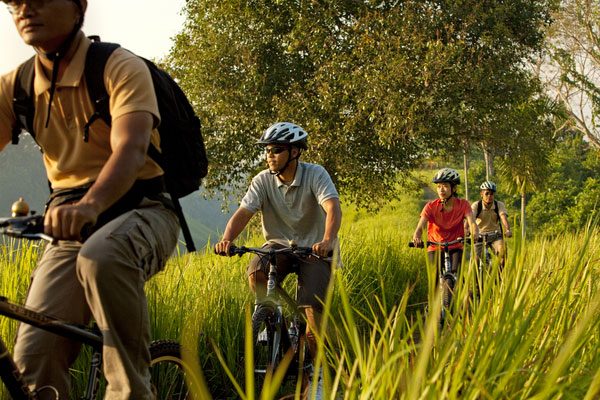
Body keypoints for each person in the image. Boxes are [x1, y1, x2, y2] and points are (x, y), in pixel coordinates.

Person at [0, 0, 180, 398]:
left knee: (102, 257)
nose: (26, 10)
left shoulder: (119, 67)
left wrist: (89, 205)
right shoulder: (16, 87)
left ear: (80, 5)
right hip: (69, 230)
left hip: (142, 210)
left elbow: (131, 149)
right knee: (34, 362)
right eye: (14, 2)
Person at [215, 122, 342, 399]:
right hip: (277, 246)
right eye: (267, 150)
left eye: (276, 149)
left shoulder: (315, 175)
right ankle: (278, 333)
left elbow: (332, 207)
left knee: (311, 309)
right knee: (256, 272)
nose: (269, 155)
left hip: (314, 249)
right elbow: (243, 212)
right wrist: (228, 238)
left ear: (294, 152)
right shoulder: (262, 180)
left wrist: (328, 240)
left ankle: (316, 374)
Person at [412, 168, 479, 275]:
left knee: (456, 277)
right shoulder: (430, 206)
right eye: (439, 186)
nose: (441, 190)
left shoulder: (463, 204)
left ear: (454, 188)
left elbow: (472, 223)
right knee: (434, 284)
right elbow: (420, 228)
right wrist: (417, 237)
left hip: (455, 246)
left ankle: (459, 289)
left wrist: (475, 233)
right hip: (435, 247)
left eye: (445, 186)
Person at [472, 181, 512, 269]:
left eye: (492, 194)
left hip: (495, 235)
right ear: (481, 194)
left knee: (503, 253)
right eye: (487, 193)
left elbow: (503, 217)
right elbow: (471, 219)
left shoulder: (499, 205)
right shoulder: (476, 205)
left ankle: (497, 276)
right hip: (479, 236)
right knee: (476, 259)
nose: (489, 196)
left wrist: (508, 230)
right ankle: (477, 282)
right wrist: (467, 230)